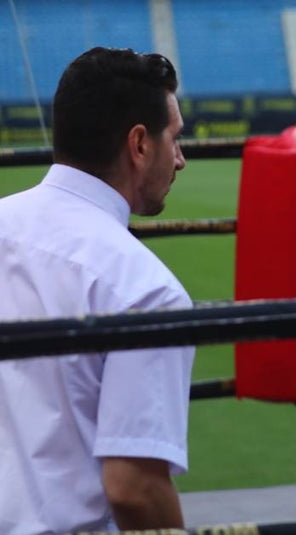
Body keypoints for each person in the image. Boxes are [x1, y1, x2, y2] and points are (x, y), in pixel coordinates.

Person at [0, 47, 193, 533]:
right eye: (175, 138)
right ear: (139, 144)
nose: (181, 159)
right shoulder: (146, 290)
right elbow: (134, 489)